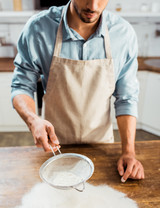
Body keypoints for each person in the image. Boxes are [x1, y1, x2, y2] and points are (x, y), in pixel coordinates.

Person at [11, 0, 144, 183]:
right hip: (52, 147)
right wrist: (33, 120)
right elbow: (21, 86)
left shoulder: (123, 34)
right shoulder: (38, 28)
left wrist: (129, 152)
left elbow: (126, 98)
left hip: (101, 146)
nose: (93, 6)